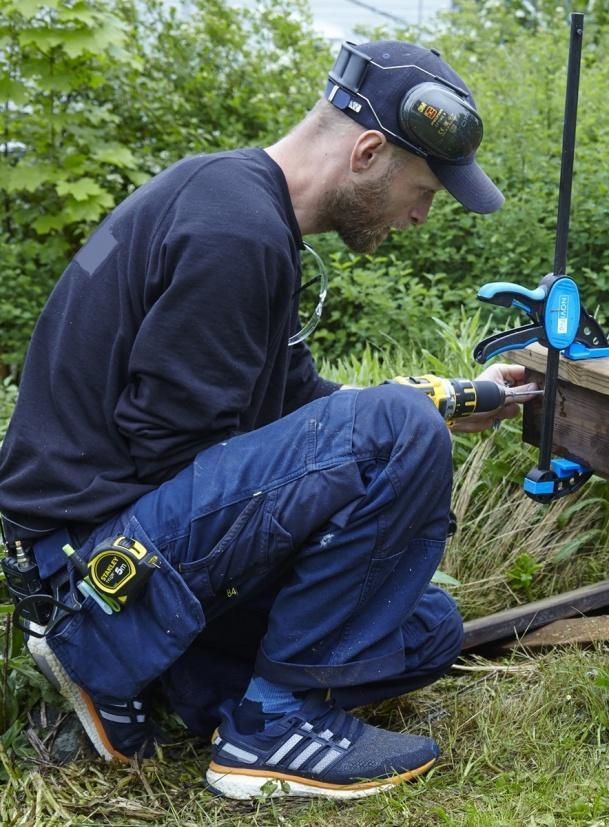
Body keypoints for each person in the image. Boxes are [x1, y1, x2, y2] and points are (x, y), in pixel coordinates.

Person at [0, 40, 531, 800]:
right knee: (394, 429)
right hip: (90, 567)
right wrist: (401, 430)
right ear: (369, 151)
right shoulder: (236, 231)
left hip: (129, 542)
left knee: (423, 627)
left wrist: (451, 396)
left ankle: (177, 684)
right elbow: (171, 450)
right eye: (424, 190)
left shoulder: (239, 206)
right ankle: (264, 729)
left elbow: (293, 403)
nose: (419, 216)